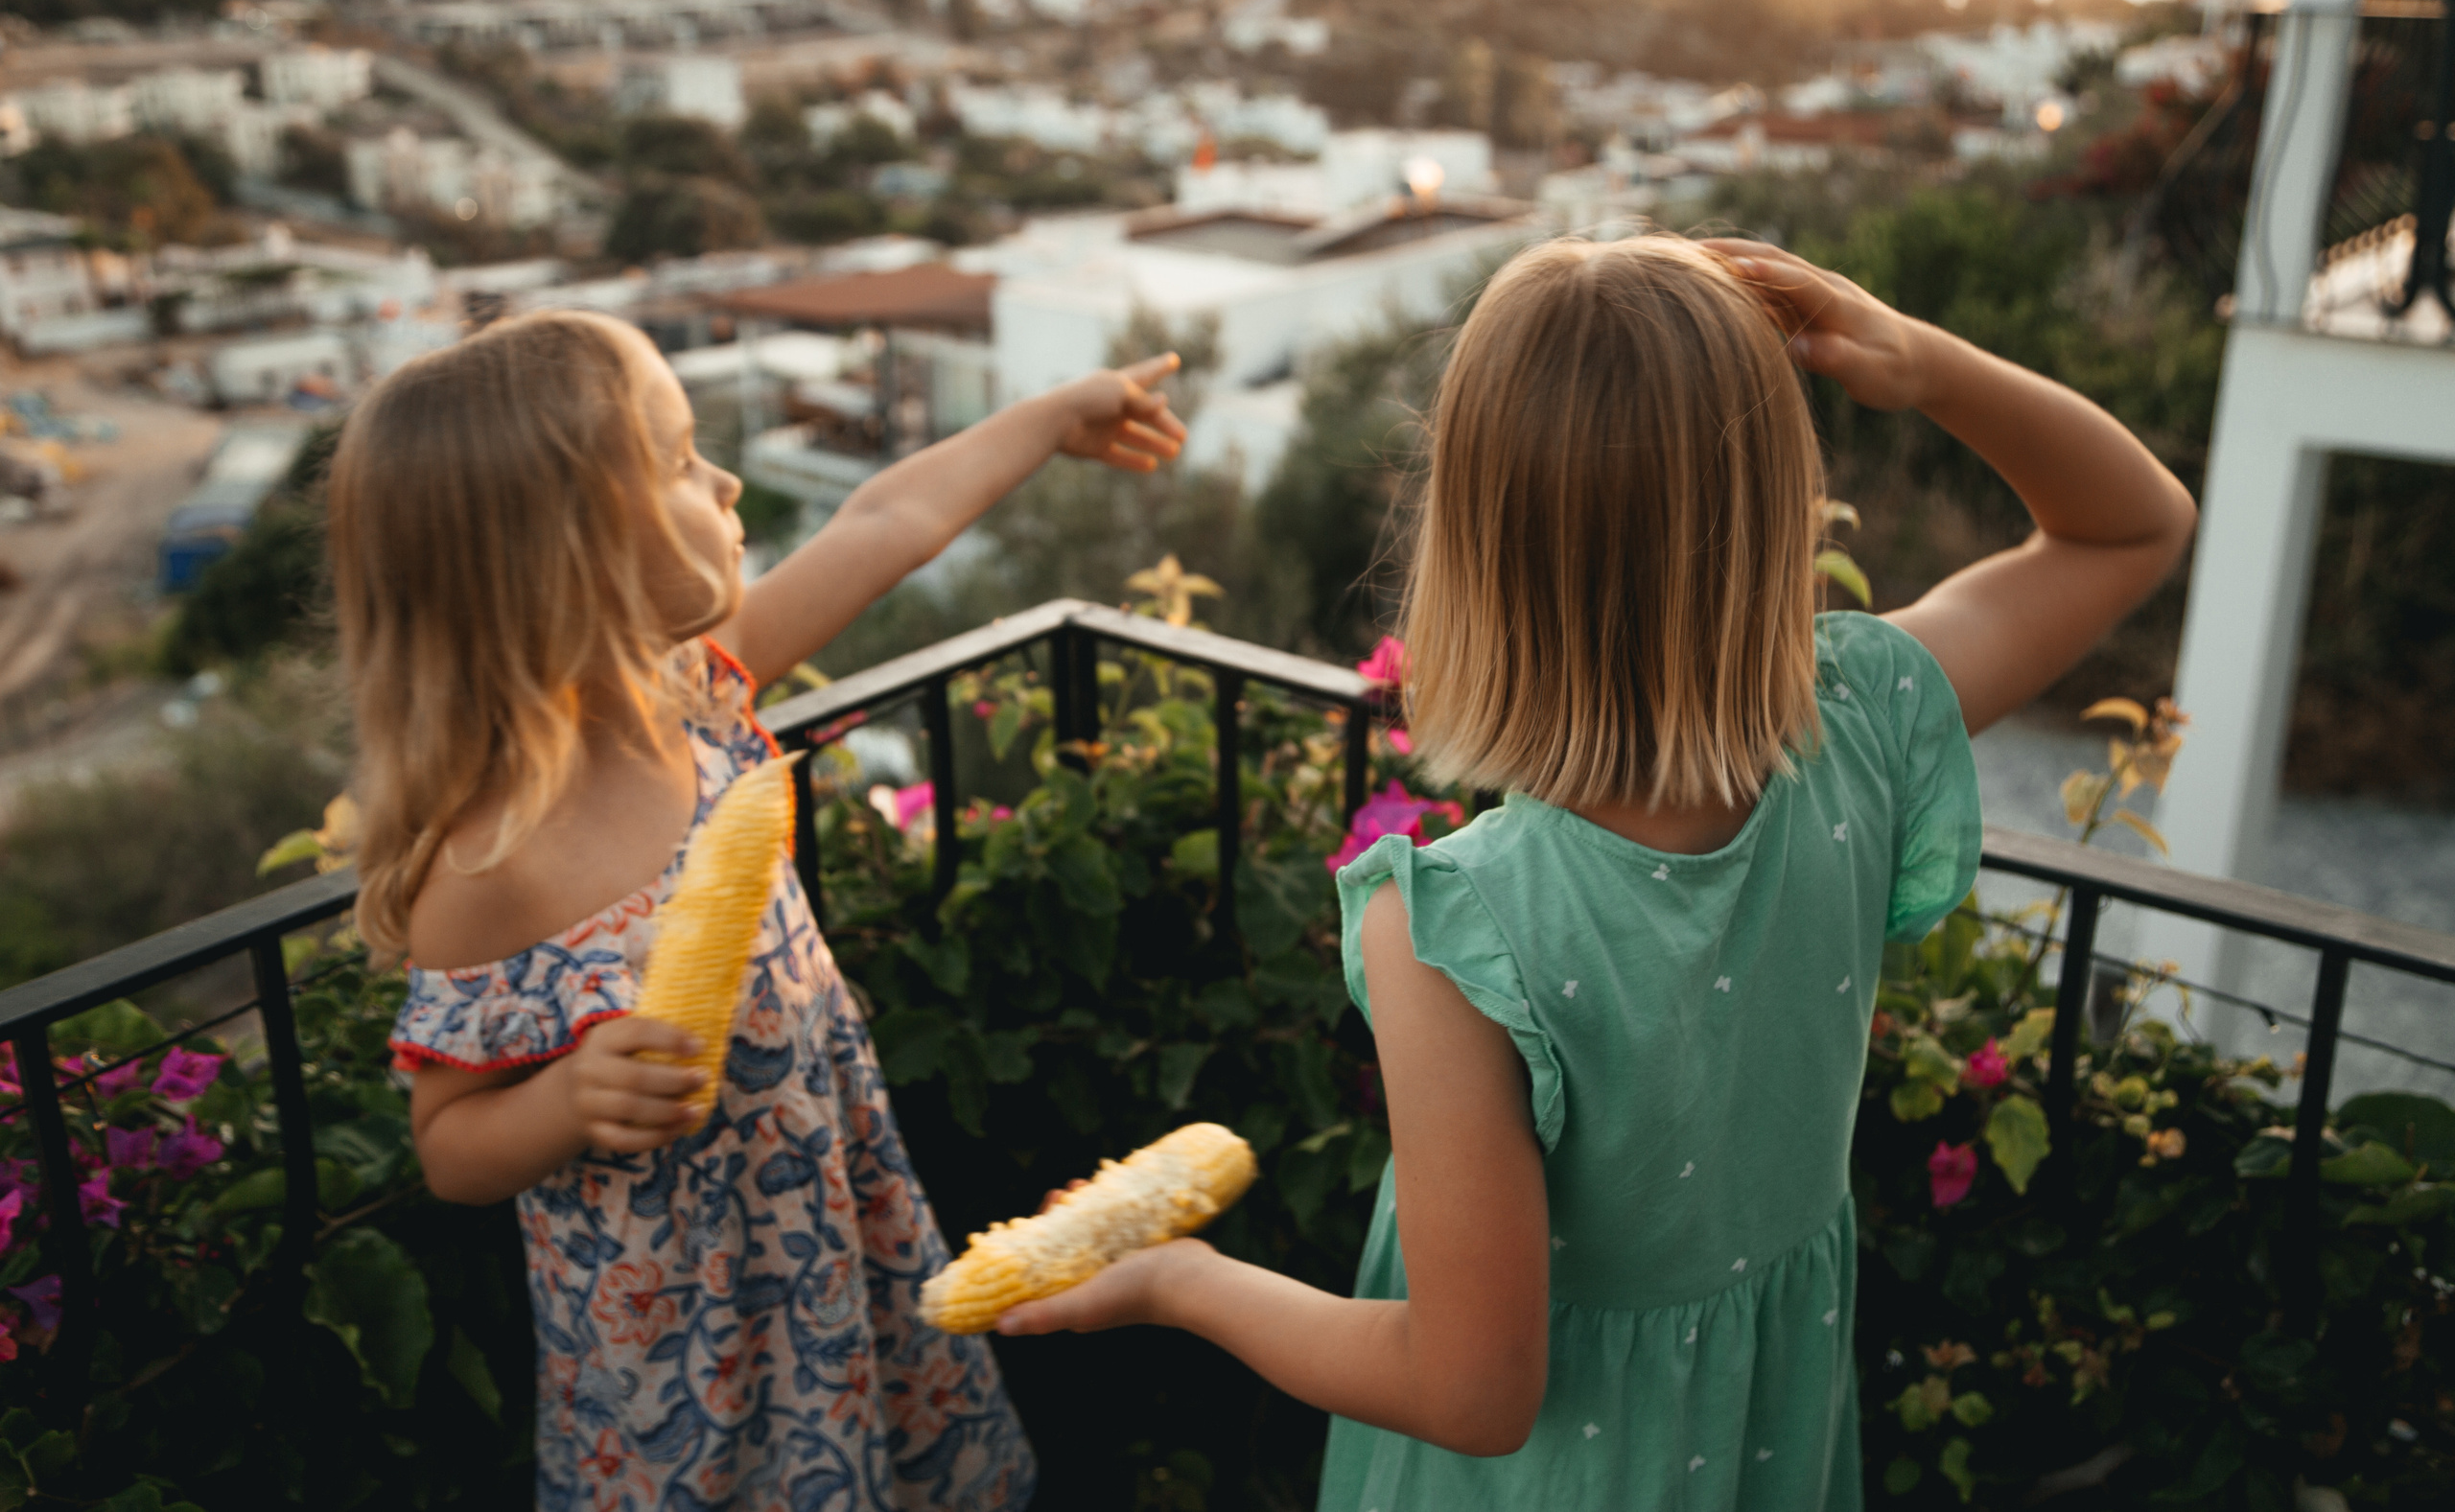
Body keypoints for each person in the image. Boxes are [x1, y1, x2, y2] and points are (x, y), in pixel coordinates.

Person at [996, 235, 2198, 1509]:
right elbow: (2132, 523)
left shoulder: (1456, 927)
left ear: (1471, 544)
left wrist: (1184, 1277)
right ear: (1774, 503)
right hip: (1756, 1431)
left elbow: (1472, 1392)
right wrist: (1920, 358)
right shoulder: (1863, 724)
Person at [328, 309, 1187, 1511]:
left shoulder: (695, 697)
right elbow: (450, 1147)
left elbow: (882, 522)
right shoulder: (488, 863)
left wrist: (1051, 418)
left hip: (837, 1241)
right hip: (678, 1348)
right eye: (680, 460)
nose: (725, 478)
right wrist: (569, 1099)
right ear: (564, 549)